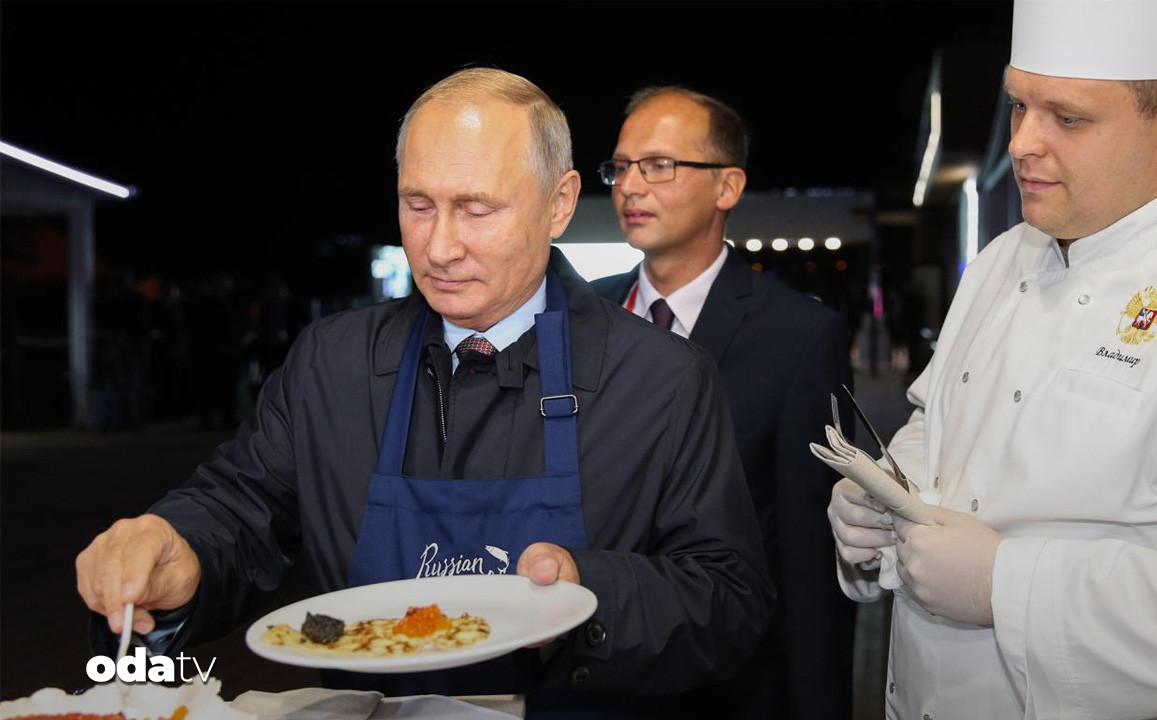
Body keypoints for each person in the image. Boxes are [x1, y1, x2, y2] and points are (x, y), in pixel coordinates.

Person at [75, 67, 773, 719]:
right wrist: (179, 548)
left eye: (476, 209)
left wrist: (589, 595)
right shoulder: (332, 364)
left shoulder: (663, 379)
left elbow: (728, 601)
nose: (439, 248)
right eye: (418, 205)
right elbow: (240, 506)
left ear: (559, 203)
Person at [826, 1, 1157, 718]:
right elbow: (936, 419)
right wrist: (883, 492)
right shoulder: (1003, 258)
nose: (1024, 143)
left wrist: (1008, 586)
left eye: (1068, 118)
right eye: (1018, 105)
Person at [592, 87, 853, 720]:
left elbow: (808, 553)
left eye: (658, 165)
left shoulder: (797, 337)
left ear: (727, 187)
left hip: (730, 682)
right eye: (621, 167)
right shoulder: (582, 316)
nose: (630, 186)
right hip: (591, 669)